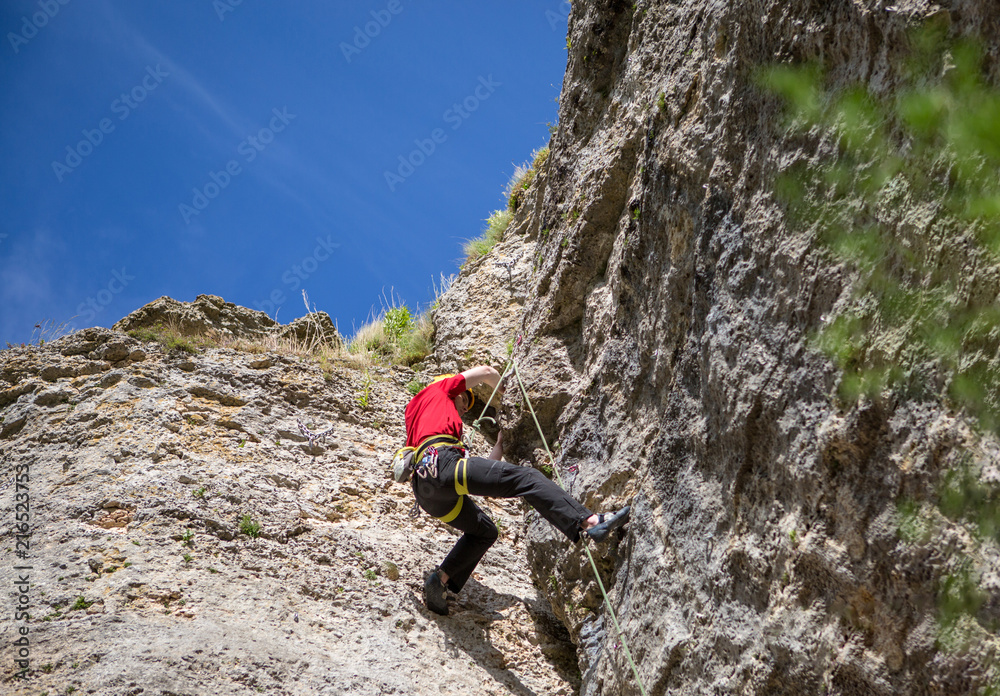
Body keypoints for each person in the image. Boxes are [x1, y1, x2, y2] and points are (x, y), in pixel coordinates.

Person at [405, 365, 630, 615]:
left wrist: (499, 446)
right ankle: (590, 521)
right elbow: (486, 371)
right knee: (529, 478)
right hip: (444, 465)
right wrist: (505, 391)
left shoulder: (413, 412)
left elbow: (483, 475)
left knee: (485, 531)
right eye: (463, 402)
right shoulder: (441, 388)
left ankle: (440, 580)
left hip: (426, 490)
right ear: (455, 391)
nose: (463, 410)